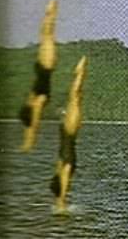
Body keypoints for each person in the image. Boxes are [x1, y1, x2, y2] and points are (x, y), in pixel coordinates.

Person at [19, 0, 58, 151]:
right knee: (46, 35)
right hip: (43, 74)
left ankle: (29, 141)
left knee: (46, 35)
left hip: (42, 74)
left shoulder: (37, 99)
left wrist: (30, 140)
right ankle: (29, 140)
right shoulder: (38, 99)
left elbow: (34, 123)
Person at [50, 55, 87, 212]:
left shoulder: (68, 124)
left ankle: (61, 202)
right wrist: (80, 73)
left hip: (64, 151)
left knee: (64, 170)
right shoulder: (70, 120)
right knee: (75, 98)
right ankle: (61, 203)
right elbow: (75, 94)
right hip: (67, 150)